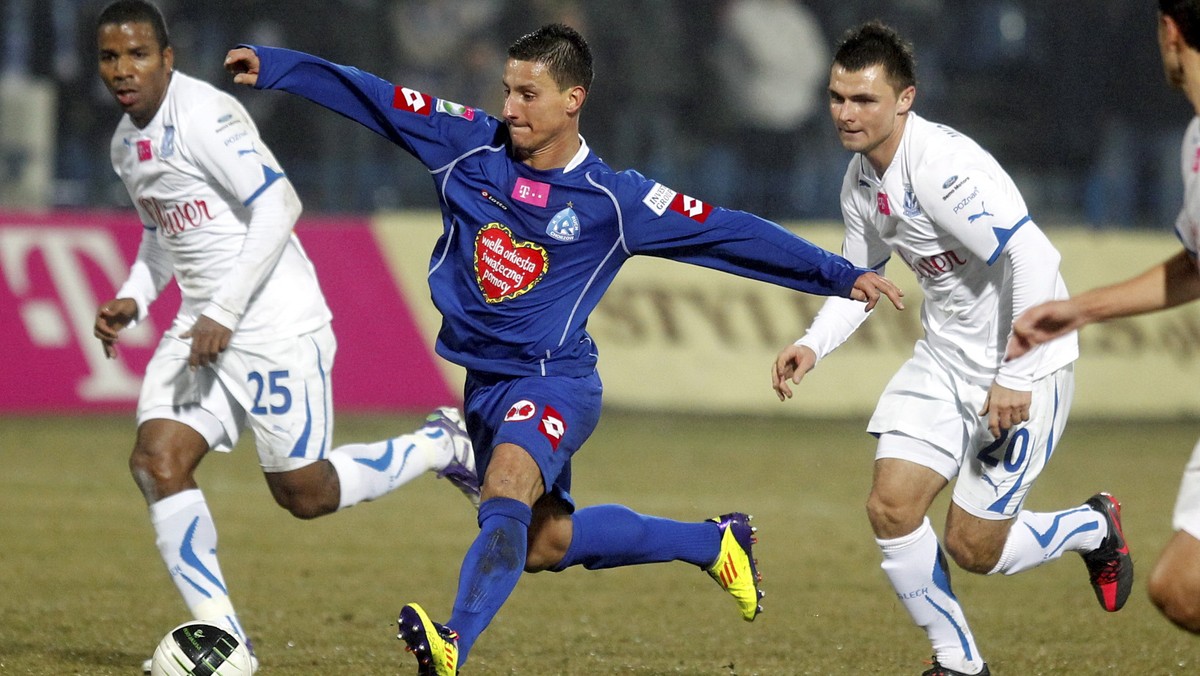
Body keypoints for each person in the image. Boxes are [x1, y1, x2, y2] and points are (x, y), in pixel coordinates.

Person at [223, 22, 905, 674]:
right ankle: (713, 543)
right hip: (486, 384)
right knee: (545, 543)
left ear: (573, 100)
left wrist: (842, 275)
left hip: (555, 381)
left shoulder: (614, 199)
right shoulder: (466, 146)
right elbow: (373, 96)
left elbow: (729, 233)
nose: (510, 108)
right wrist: (280, 69)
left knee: (505, 485)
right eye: (507, 91)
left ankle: (453, 641)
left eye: (528, 94)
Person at [91, 2, 479, 672]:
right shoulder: (126, 145)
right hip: (204, 323)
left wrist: (227, 311)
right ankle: (224, 642)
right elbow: (164, 234)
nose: (123, 70)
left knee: (305, 493)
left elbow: (279, 202)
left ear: (167, 57)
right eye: (109, 57)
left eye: (137, 55)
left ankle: (443, 442)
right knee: (157, 461)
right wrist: (136, 293)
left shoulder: (205, 116)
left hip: (270, 318)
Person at [770, 21, 1132, 676]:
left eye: (864, 101)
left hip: (1028, 366)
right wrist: (812, 344)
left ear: (905, 99)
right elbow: (861, 282)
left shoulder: (943, 171)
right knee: (890, 505)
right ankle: (958, 663)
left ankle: (1093, 527)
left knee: (974, 546)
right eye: (837, 98)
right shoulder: (860, 183)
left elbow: (1034, 255)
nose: (846, 114)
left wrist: (1016, 371)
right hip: (944, 361)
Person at [1008, 0, 1200, 636]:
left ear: (1170, 31)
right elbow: (1196, 266)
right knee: (1181, 588)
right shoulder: (1196, 139)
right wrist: (1080, 310)